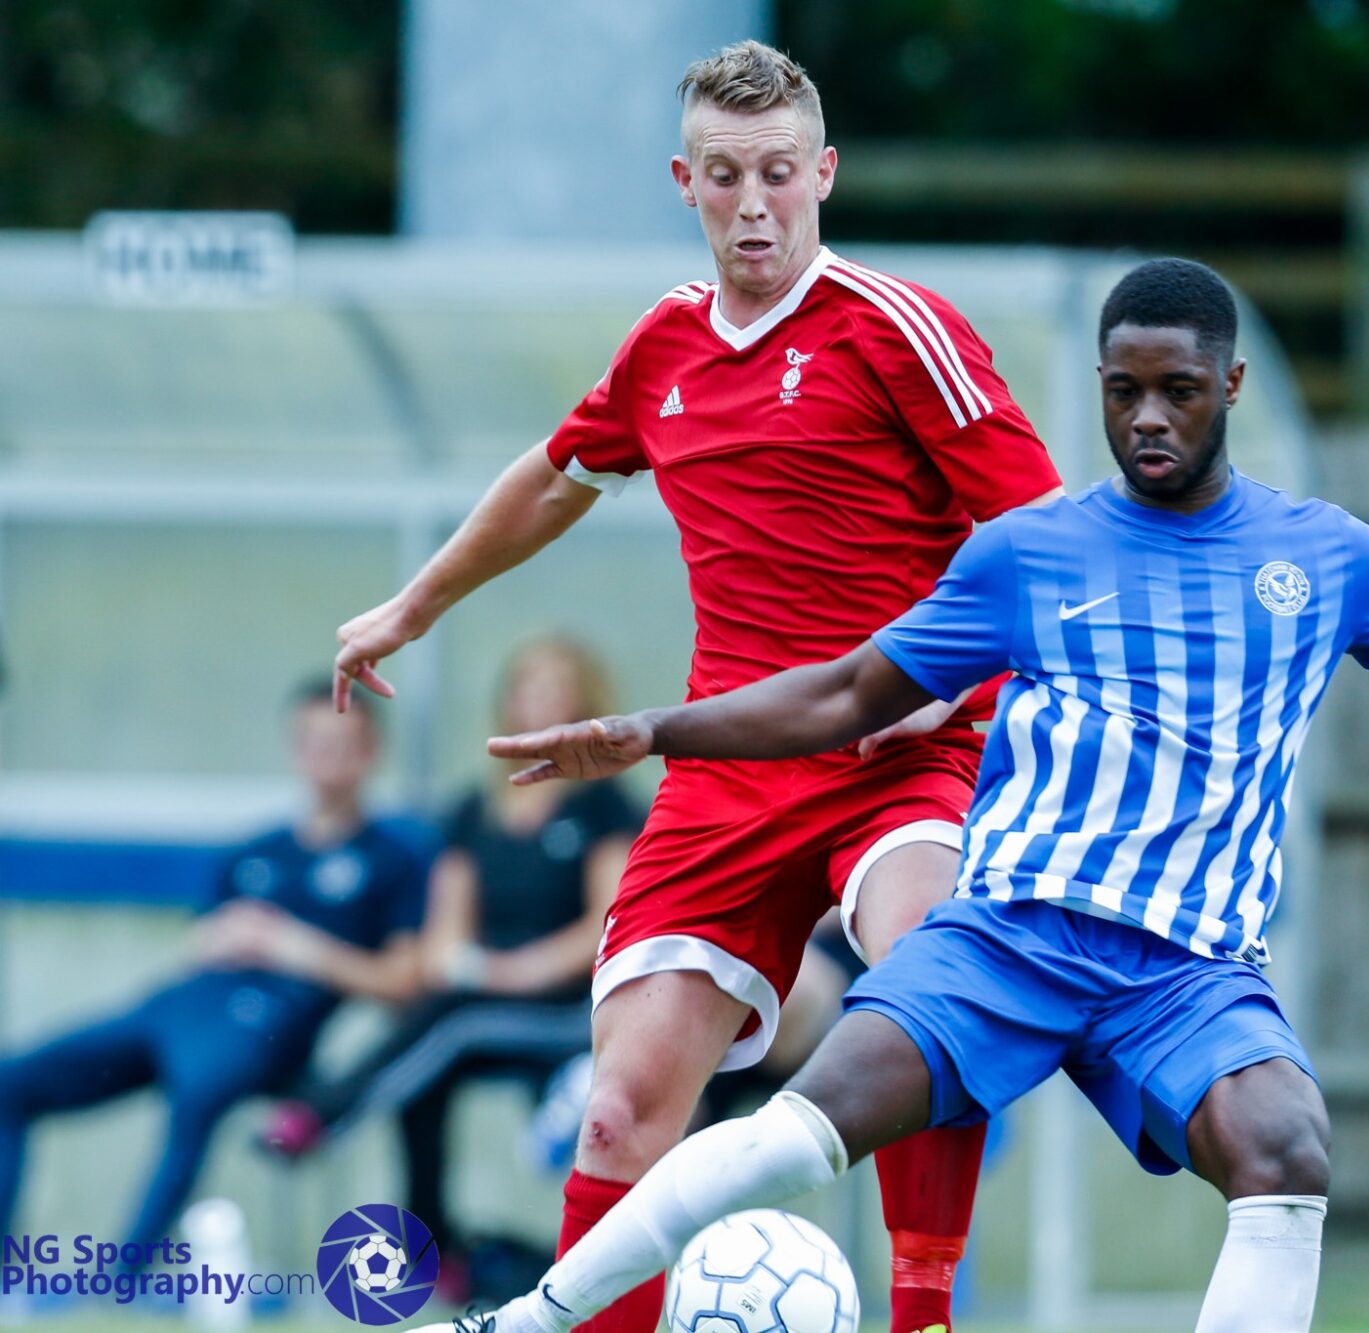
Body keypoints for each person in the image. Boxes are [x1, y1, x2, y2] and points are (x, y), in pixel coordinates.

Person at [418, 258, 1369, 1333]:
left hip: (1185, 970)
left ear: (1231, 387)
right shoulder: (1029, 553)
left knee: (1286, 1143)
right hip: (1012, 936)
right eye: (1123, 390)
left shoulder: (1323, 559)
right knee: (792, 1136)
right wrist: (657, 729)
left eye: (1177, 391)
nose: (1147, 417)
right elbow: (848, 696)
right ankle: (533, 1313)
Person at [328, 39, 1062, 1333]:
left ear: (822, 172)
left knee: (925, 985)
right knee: (617, 1106)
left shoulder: (899, 331)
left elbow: (1046, 537)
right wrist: (411, 605)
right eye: (725, 177)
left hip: (911, 757)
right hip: (729, 771)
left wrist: (971, 680)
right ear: (685, 180)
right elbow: (559, 472)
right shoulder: (667, 344)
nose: (755, 204)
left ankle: (925, 1319)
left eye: (779, 173)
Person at [0, 683, 427, 1262]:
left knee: (196, 1090)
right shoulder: (255, 851)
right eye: (314, 742)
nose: (327, 756)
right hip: (182, 1007)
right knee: (13, 1081)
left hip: (273, 1026)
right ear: (295, 750)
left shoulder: (396, 857)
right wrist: (219, 939)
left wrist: (292, 945)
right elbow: (200, 941)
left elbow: (403, 983)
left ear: (372, 752)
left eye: (343, 743)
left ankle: (126, 1273)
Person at [263, 639, 639, 1289]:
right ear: (510, 700)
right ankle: (437, 1254)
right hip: (485, 999)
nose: (543, 700)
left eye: (559, 688)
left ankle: (325, 1114)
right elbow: (446, 927)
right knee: (427, 1058)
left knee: (451, 1024)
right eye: (531, 686)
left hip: (569, 1005)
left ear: (585, 704)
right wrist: (459, 964)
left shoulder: (603, 807)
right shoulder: (474, 810)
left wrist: (513, 971)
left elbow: (607, 922)